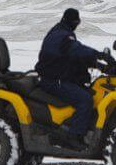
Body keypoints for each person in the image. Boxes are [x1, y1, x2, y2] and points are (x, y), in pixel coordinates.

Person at [35, 8, 108, 149]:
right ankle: (73, 136)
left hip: (58, 77)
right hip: (53, 81)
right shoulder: (61, 35)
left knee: (89, 92)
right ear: (71, 21)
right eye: (76, 22)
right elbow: (76, 50)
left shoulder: (63, 32)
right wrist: (99, 55)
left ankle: (84, 130)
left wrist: (98, 65)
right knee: (85, 100)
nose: (77, 24)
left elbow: (73, 55)